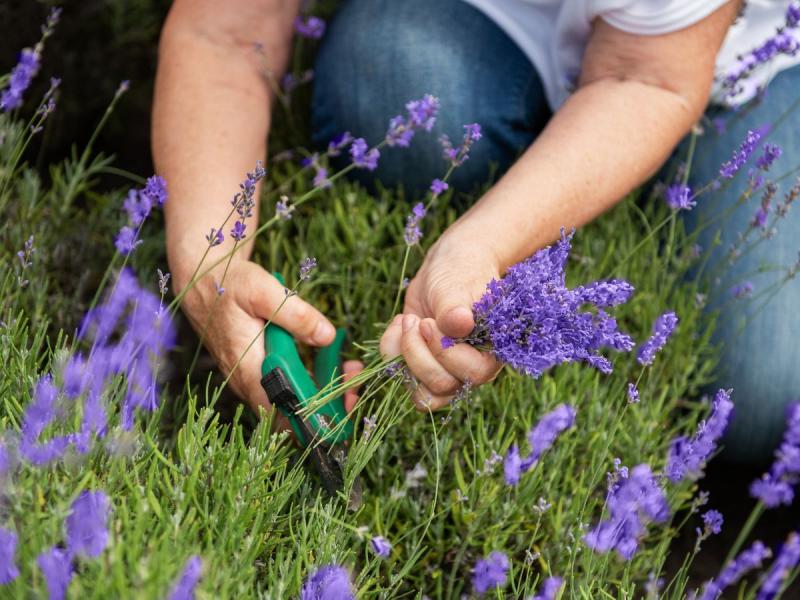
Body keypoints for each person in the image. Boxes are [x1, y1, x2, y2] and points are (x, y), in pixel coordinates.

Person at [152, 0, 800, 464]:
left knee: (762, 397)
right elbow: (223, 28)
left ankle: (635, 160)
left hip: (721, 53)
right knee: (389, 87)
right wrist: (208, 256)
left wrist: (481, 243)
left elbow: (645, 75)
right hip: (493, 14)